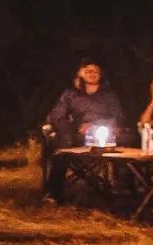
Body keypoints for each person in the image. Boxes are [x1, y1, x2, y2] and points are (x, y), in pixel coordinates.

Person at [40, 60, 125, 201]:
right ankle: (53, 192)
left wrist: (95, 124)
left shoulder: (109, 96)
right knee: (63, 145)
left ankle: (121, 187)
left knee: (128, 138)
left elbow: (119, 118)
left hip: (107, 136)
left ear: (101, 74)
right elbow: (57, 116)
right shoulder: (70, 95)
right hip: (79, 137)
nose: (92, 74)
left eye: (95, 71)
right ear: (80, 74)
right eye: (88, 71)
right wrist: (73, 128)